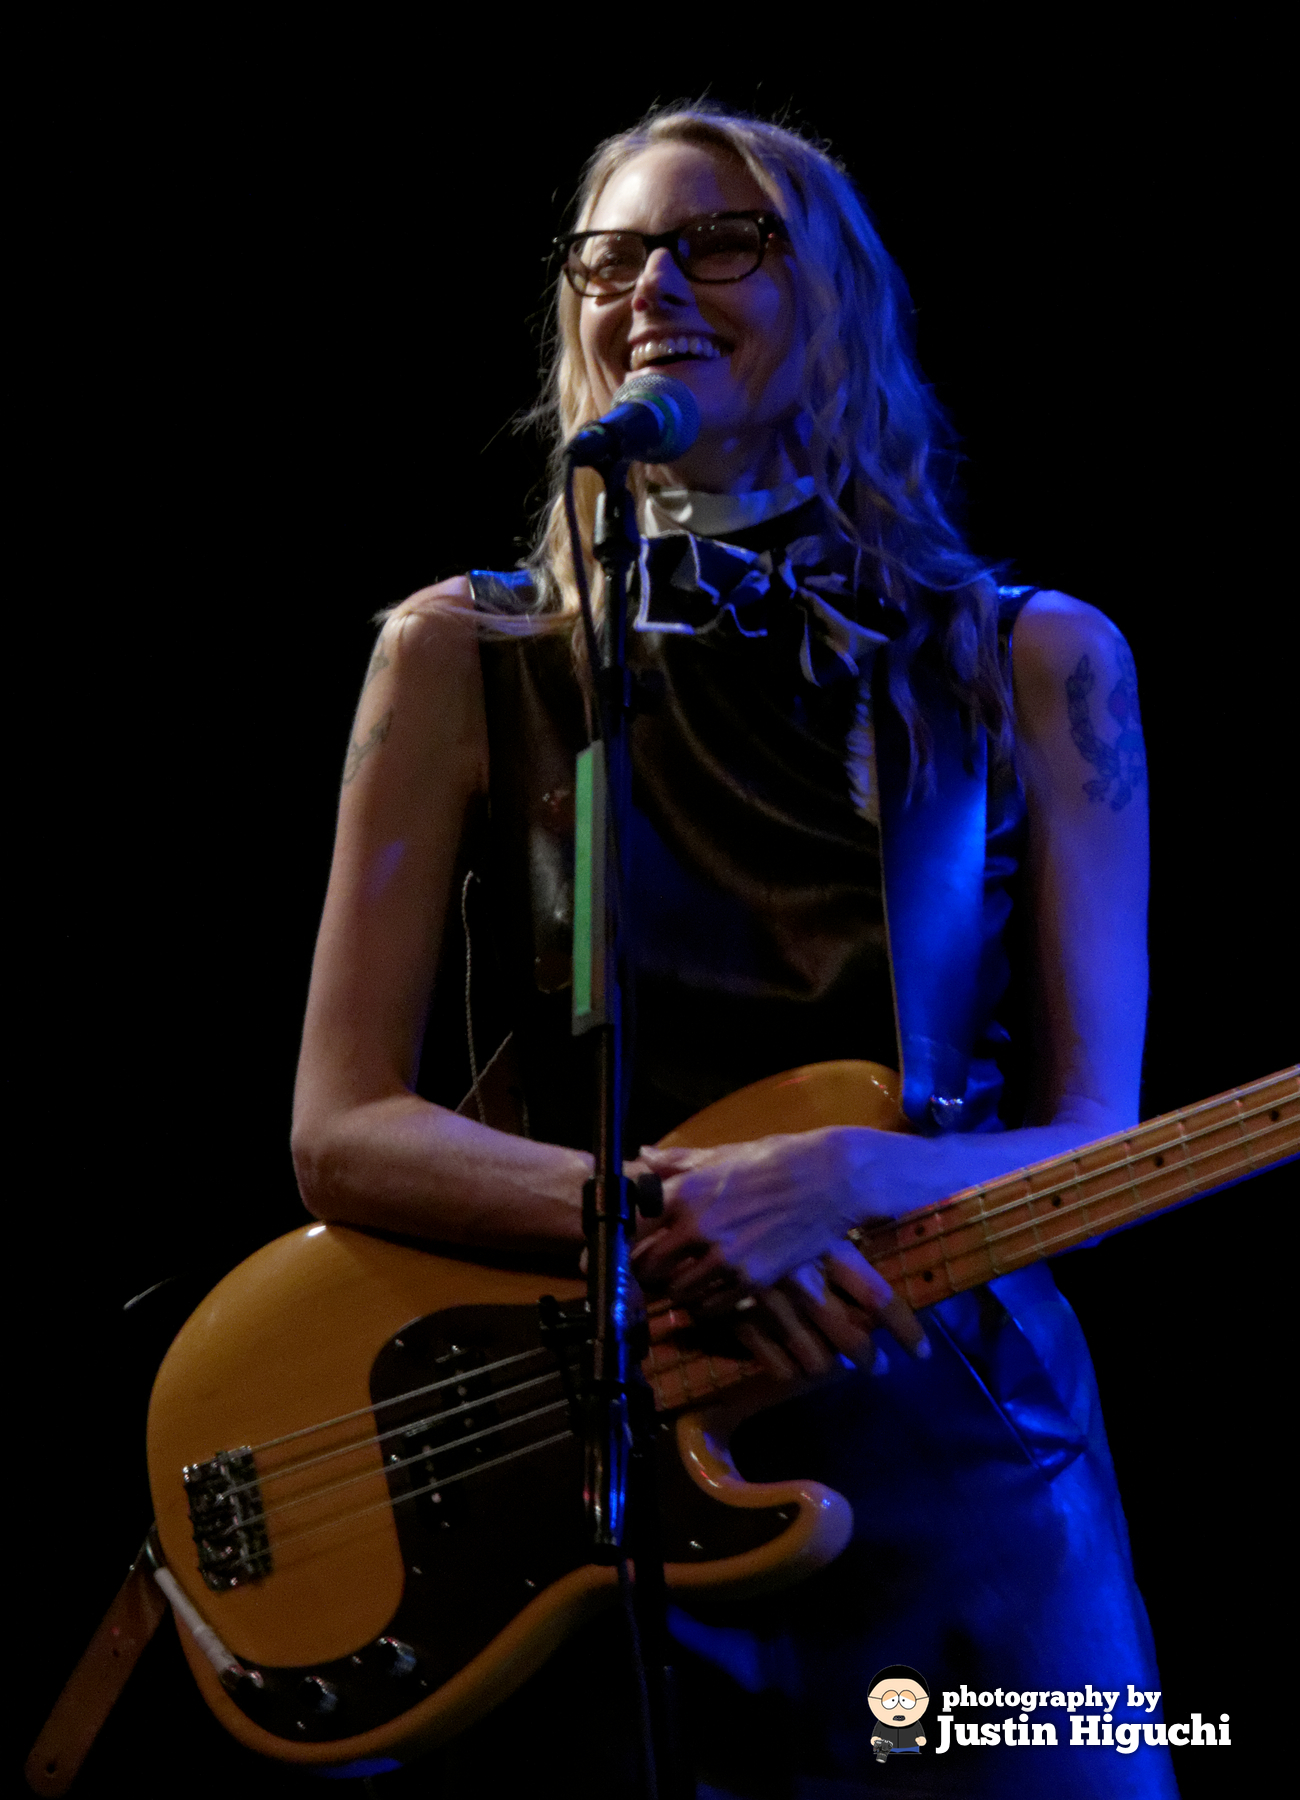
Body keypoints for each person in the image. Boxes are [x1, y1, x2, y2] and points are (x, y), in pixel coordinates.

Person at [292, 105, 1176, 1798]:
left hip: (961, 1452)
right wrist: (670, 1216)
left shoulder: (1040, 661)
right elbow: (339, 1128)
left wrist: (851, 1177)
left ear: (833, 294)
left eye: (722, 243)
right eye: (613, 255)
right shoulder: (458, 652)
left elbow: (1102, 1135)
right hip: (601, 1453)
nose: (654, 289)